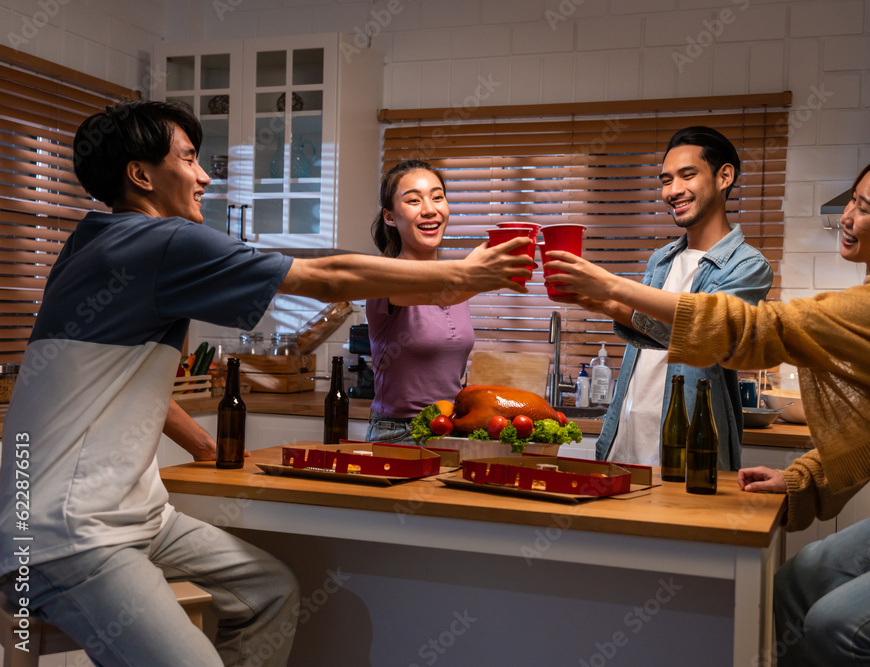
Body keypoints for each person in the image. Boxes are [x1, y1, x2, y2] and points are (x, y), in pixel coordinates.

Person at [0, 100, 531, 667]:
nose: (206, 175)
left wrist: (207, 446)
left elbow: (117, 381)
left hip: (135, 517)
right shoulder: (164, 241)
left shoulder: (88, 240)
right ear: (141, 175)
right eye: (189, 159)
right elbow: (325, 276)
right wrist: (463, 273)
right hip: (67, 532)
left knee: (269, 591)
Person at [543, 150, 870, 664]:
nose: (847, 217)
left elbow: (758, 328)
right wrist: (801, 476)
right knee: (799, 584)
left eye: (864, 208)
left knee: (840, 626)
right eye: (851, 200)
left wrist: (610, 285)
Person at [593, 126, 772, 469]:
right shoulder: (660, 260)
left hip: (691, 452)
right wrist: (601, 302)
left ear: (724, 177)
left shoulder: (748, 266)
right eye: (665, 180)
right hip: (624, 441)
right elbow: (655, 335)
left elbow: (707, 332)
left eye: (687, 176)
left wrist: (612, 292)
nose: (673, 191)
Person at [365, 160, 478, 443]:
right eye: (414, 200)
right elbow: (429, 288)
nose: (430, 209)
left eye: (437, 197)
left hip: (450, 430)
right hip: (399, 433)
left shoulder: (456, 281)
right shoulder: (383, 277)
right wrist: (478, 271)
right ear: (390, 217)